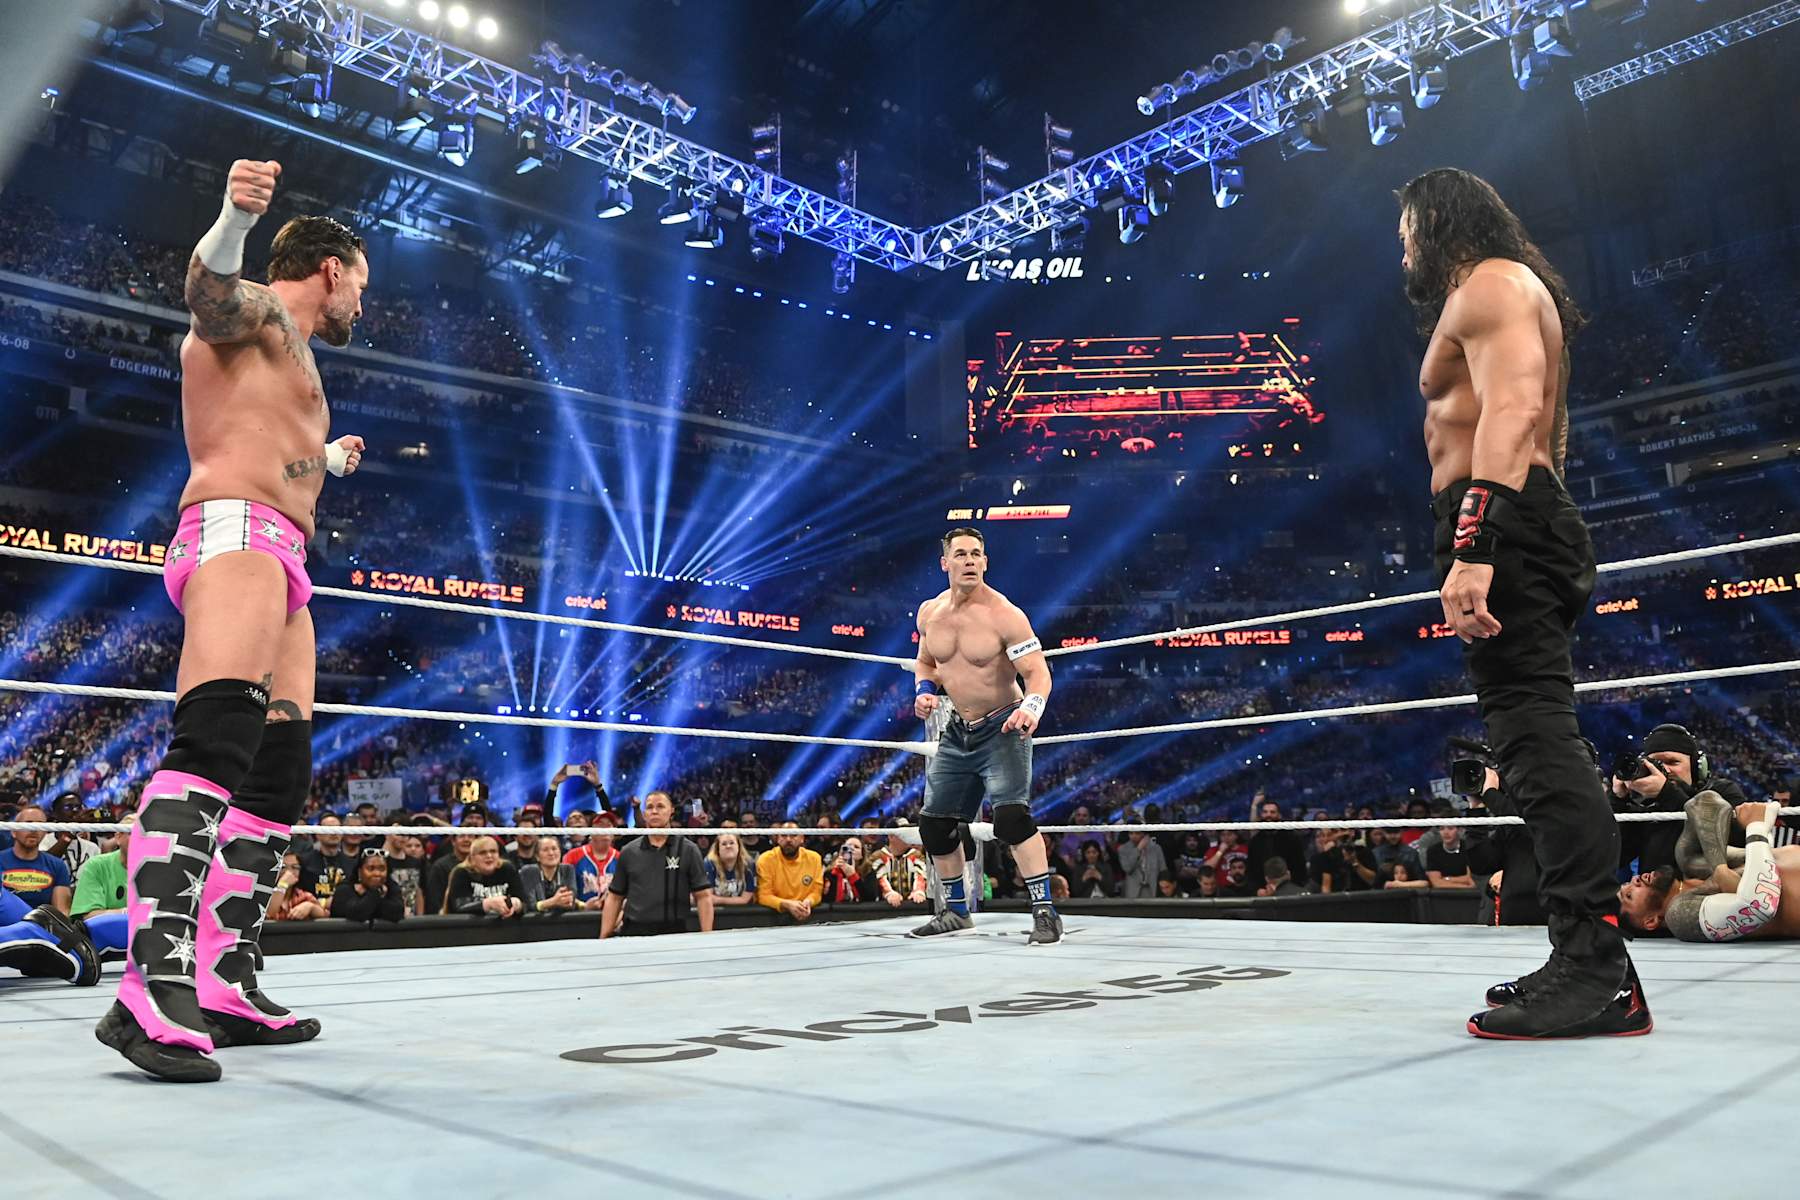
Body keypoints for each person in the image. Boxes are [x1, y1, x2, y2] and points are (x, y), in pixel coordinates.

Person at [97, 159, 370, 1081]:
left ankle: (222, 980)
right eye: (361, 286)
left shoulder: (295, 363)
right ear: (332, 269)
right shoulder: (256, 310)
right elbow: (206, 295)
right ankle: (148, 986)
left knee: (279, 765)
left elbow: (277, 459)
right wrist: (233, 217)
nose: (361, 308)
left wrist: (321, 461)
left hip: (283, 550)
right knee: (215, 735)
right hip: (232, 535)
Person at [1401, 167, 1648, 1040]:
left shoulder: (1492, 284)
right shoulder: (1504, 290)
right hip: (1512, 514)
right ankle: (1578, 951)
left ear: (1436, 222)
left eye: (1406, 230)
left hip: (1496, 516)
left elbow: (1515, 408)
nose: (1403, 249)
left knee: (1535, 741)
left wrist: (1477, 542)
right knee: (1531, 735)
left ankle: (1597, 971)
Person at [909, 527, 1060, 944]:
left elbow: (1038, 673)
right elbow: (926, 664)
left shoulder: (1004, 615)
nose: (970, 560)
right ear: (946, 563)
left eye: (977, 553)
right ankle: (955, 913)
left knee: (1011, 820)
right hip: (959, 729)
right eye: (961, 554)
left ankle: (1045, 914)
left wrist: (1031, 708)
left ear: (985, 562)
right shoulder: (930, 613)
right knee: (935, 825)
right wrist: (924, 692)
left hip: (1004, 725)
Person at [1615, 799, 1796, 943]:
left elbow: (1704, 802)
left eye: (1628, 882)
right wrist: (1757, 828)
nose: (1635, 880)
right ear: (1650, 921)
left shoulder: (1693, 864)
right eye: (1629, 895)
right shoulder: (1679, 916)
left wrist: (1720, 870)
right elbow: (1759, 906)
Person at [601, 792, 712, 937]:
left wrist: (708, 937)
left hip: (674, 932)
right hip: (635, 931)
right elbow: (615, 897)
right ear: (644, 814)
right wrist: (603, 937)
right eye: (650, 807)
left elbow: (703, 896)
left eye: (660, 806)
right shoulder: (629, 851)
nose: (654, 811)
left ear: (671, 810)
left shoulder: (688, 849)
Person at [0, 805, 73, 913]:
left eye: (39, 824)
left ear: (45, 832)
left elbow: (61, 912)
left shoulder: (57, 865)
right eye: (28, 823)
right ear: (13, 831)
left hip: (40, 927)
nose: (34, 829)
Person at [755, 822, 824, 923]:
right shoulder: (765, 860)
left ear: (802, 838)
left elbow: (817, 892)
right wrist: (787, 904)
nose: (788, 839)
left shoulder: (814, 858)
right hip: (774, 918)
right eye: (784, 835)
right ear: (778, 839)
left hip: (806, 915)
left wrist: (808, 902)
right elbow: (763, 896)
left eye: (793, 835)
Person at [444, 837, 525, 918]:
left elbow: (525, 903)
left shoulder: (507, 869)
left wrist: (517, 904)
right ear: (472, 857)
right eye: (482, 853)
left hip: (505, 927)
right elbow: (459, 907)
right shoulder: (461, 873)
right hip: (469, 927)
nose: (489, 856)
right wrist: (488, 904)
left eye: (493, 851)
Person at [328, 851, 405, 924]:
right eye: (371, 868)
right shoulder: (344, 889)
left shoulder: (392, 886)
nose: (377, 873)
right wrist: (375, 894)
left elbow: (397, 912)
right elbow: (357, 913)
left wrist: (370, 896)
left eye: (382, 869)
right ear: (359, 872)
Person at [566, 814, 620, 910]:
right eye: (601, 825)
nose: (605, 828)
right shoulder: (573, 856)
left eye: (609, 825)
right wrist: (584, 906)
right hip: (579, 917)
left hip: (614, 915)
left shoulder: (620, 858)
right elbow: (564, 892)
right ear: (590, 831)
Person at [521, 836, 578, 915]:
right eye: (545, 850)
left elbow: (570, 901)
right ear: (537, 856)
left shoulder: (568, 869)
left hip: (563, 922)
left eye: (554, 849)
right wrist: (553, 902)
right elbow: (529, 905)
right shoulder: (528, 872)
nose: (551, 853)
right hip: (534, 923)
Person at [704, 830, 758, 907]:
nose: (728, 846)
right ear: (717, 849)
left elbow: (746, 899)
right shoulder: (709, 864)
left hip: (741, 911)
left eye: (732, 843)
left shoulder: (749, 864)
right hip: (714, 910)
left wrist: (718, 900)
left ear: (739, 846)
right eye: (724, 844)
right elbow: (707, 898)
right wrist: (736, 900)